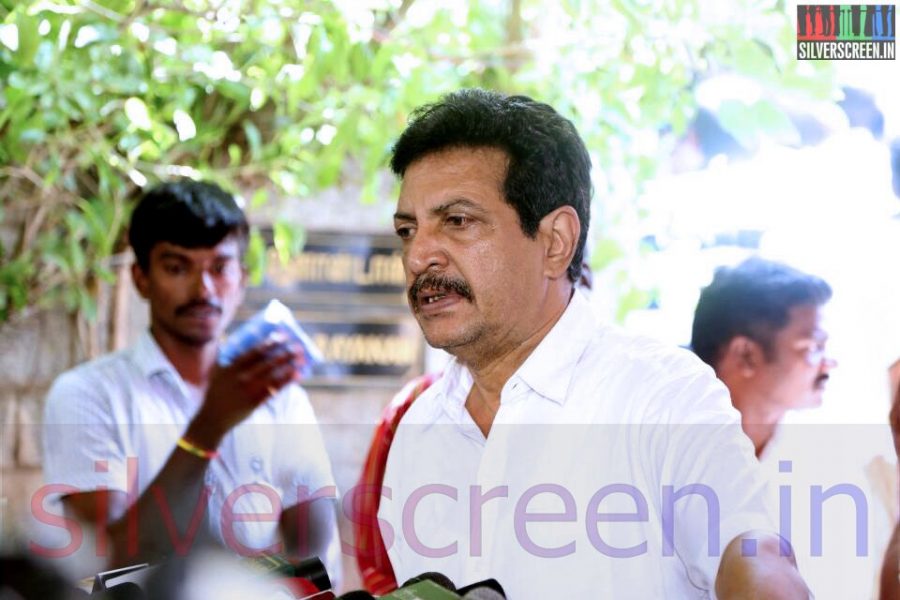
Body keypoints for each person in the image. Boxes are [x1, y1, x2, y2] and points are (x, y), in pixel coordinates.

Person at [377, 89, 808, 598]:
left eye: (457, 221)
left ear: (555, 242)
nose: (420, 255)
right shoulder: (421, 430)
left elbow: (751, 554)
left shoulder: (662, 396)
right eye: (408, 230)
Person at [40, 181, 340, 576]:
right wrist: (208, 428)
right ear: (141, 278)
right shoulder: (87, 395)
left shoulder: (280, 399)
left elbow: (314, 559)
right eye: (177, 267)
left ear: (243, 277)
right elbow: (108, 560)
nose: (203, 289)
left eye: (219, 267)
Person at [690, 257, 836, 458]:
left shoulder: (826, 456)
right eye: (814, 348)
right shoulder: (664, 455)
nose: (829, 364)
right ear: (746, 355)